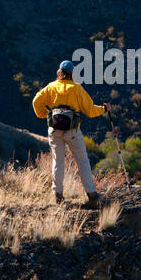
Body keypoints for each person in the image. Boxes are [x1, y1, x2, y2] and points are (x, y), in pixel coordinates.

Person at [32, 60, 110, 206]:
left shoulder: (52, 86)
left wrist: (44, 114)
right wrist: (104, 109)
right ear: (72, 73)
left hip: (54, 129)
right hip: (72, 130)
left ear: (59, 72)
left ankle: (58, 195)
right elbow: (90, 110)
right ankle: (92, 195)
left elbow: (36, 101)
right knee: (82, 161)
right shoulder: (77, 89)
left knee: (58, 161)